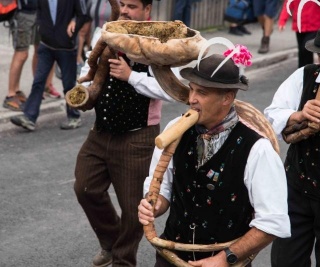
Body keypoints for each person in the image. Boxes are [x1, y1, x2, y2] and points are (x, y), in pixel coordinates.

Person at [138, 52, 291, 266]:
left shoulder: (257, 148)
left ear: (226, 98)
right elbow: (162, 191)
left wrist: (225, 257)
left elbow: (274, 222)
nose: (191, 99)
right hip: (170, 256)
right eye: (191, 88)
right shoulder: (175, 130)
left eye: (202, 92)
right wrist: (153, 205)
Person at [73, 0, 174, 266]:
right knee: (85, 188)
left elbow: (173, 90)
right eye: (122, 4)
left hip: (138, 137)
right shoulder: (106, 31)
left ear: (147, 10)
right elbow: (89, 67)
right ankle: (110, 240)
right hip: (100, 132)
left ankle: (123, 260)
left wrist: (131, 76)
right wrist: (83, 89)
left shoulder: (158, 39)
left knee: (133, 210)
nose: (126, 11)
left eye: (132, 5)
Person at [264, 30, 320, 267]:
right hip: (297, 187)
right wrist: (298, 114)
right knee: (285, 260)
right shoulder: (305, 76)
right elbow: (271, 115)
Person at [9, 0, 88, 131]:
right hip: (46, 45)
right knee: (38, 81)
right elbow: (39, 12)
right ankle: (29, 117)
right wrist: (42, 28)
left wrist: (74, 23)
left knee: (69, 84)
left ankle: (74, 116)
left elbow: (83, 14)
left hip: (66, 47)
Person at [3, 0, 60, 112]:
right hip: (23, 13)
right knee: (22, 53)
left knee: (41, 50)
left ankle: (22, 91)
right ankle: (11, 94)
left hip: (37, 11)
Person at [278, 0, 320, 68]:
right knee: (301, 51)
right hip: (299, 26)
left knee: (306, 48)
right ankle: (301, 70)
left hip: (314, 25)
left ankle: (308, 70)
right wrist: (282, 21)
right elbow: (288, 5)